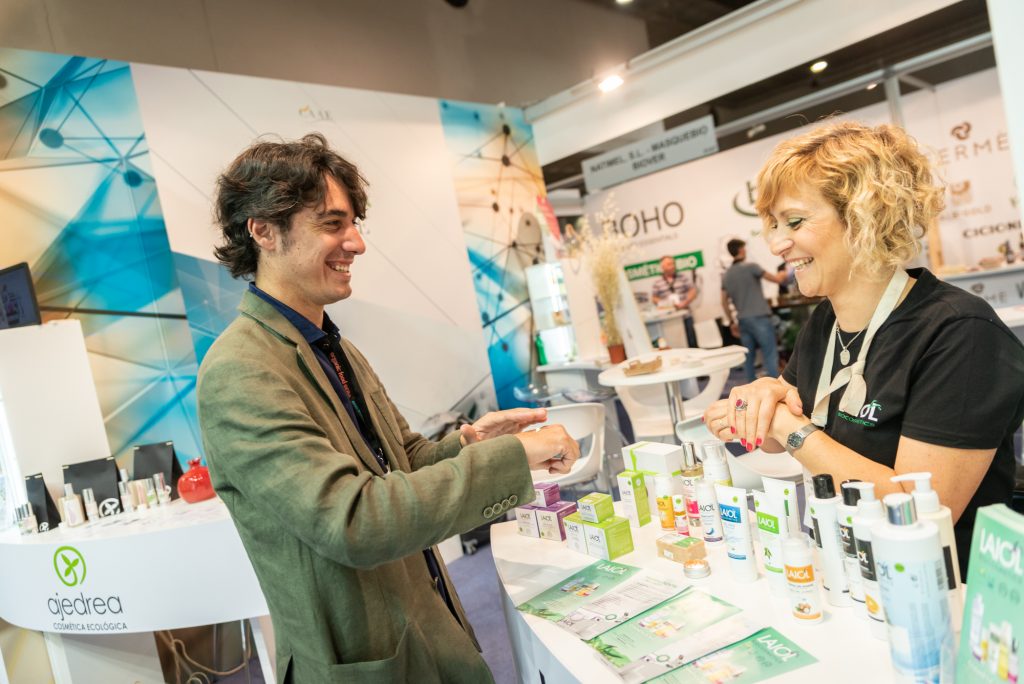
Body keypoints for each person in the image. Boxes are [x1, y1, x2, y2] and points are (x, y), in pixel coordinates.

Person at [197, 133, 580, 683]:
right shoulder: (239, 370)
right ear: (263, 231)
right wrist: (513, 457)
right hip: (366, 661)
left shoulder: (334, 346)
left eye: (354, 224)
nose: (356, 243)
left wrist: (471, 443)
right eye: (332, 224)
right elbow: (352, 520)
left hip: (429, 625)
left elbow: (402, 458)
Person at [702, 121, 1024, 576]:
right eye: (772, 225)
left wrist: (788, 427)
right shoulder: (825, 323)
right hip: (850, 573)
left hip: (945, 589)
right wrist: (757, 403)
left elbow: (920, 515)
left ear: (864, 215)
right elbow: (779, 437)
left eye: (794, 221)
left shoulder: (960, 334)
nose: (776, 244)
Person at [720, 238, 787, 382]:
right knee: (770, 354)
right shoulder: (752, 267)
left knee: (749, 358)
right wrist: (784, 272)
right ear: (741, 250)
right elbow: (777, 279)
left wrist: (731, 322)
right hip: (760, 317)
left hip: (742, 320)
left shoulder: (726, 275)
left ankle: (751, 386)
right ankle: (775, 386)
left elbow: (723, 302)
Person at [650, 254, 699, 347]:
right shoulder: (657, 282)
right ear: (662, 267)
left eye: (673, 263)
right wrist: (666, 305)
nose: (672, 266)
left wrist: (685, 302)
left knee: (691, 341)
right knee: (675, 342)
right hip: (669, 319)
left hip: (685, 315)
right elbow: (654, 298)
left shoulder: (682, 277)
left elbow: (692, 291)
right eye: (669, 264)